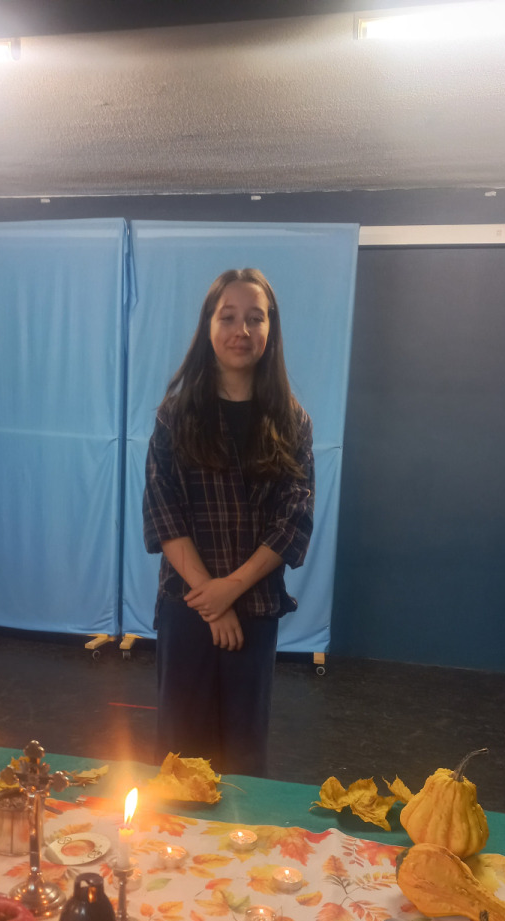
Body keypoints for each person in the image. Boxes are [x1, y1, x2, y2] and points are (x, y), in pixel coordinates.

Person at [142, 267, 315, 777]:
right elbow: (164, 512)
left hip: (255, 610)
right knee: (181, 758)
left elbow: (293, 520)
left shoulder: (292, 421)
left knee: (243, 759)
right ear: (209, 326)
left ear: (271, 329)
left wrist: (230, 591)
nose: (242, 330)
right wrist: (210, 600)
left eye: (255, 318)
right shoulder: (175, 417)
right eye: (229, 317)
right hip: (187, 607)